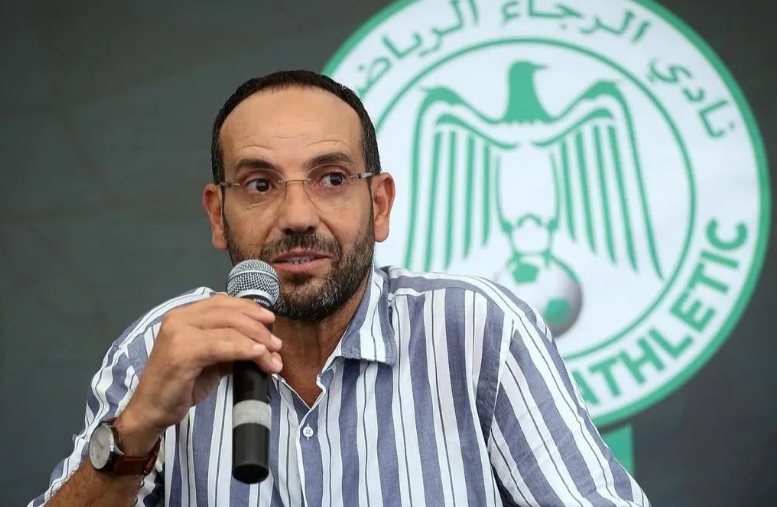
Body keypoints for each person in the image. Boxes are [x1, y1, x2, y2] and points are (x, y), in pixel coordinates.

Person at [30, 70, 650, 507]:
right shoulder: (156, 349)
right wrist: (137, 427)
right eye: (260, 185)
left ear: (378, 204)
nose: (298, 216)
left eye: (330, 178)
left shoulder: (477, 330)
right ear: (218, 216)